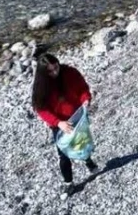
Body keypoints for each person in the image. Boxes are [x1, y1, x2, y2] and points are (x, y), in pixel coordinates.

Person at [32, 53, 98, 199]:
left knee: (83, 141)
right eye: (50, 71)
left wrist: (86, 100)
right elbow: (41, 110)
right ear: (43, 73)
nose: (55, 72)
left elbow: (83, 88)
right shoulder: (41, 86)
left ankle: (88, 161)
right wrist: (58, 123)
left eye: (56, 67)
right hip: (60, 124)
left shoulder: (70, 72)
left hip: (77, 116)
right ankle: (69, 183)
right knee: (63, 154)